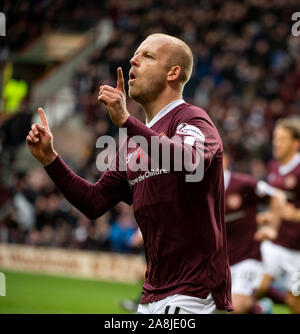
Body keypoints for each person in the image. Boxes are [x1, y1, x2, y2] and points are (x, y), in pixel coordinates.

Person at [26, 33, 232, 314]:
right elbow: (94, 201)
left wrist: (125, 121)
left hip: (194, 294)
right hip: (152, 295)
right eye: (135, 54)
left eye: (147, 56)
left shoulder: (192, 119)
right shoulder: (133, 144)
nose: (133, 59)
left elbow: (189, 161)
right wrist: (50, 159)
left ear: (173, 72)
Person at [223, 150, 285, 314]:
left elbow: (277, 196)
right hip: (218, 263)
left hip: (247, 258)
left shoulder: (243, 184)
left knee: (236, 308)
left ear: (224, 161)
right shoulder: (198, 191)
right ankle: (261, 308)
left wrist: (271, 227)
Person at [257, 118, 300, 314]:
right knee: (256, 286)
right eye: (275, 138)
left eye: (282, 139)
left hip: (297, 251)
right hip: (275, 243)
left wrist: (295, 214)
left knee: (294, 303)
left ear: (296, 143)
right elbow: (276, 206)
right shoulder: (274, 167)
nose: (276, 143)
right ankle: (262, 308)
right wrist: (267, 219)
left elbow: (291, 212)